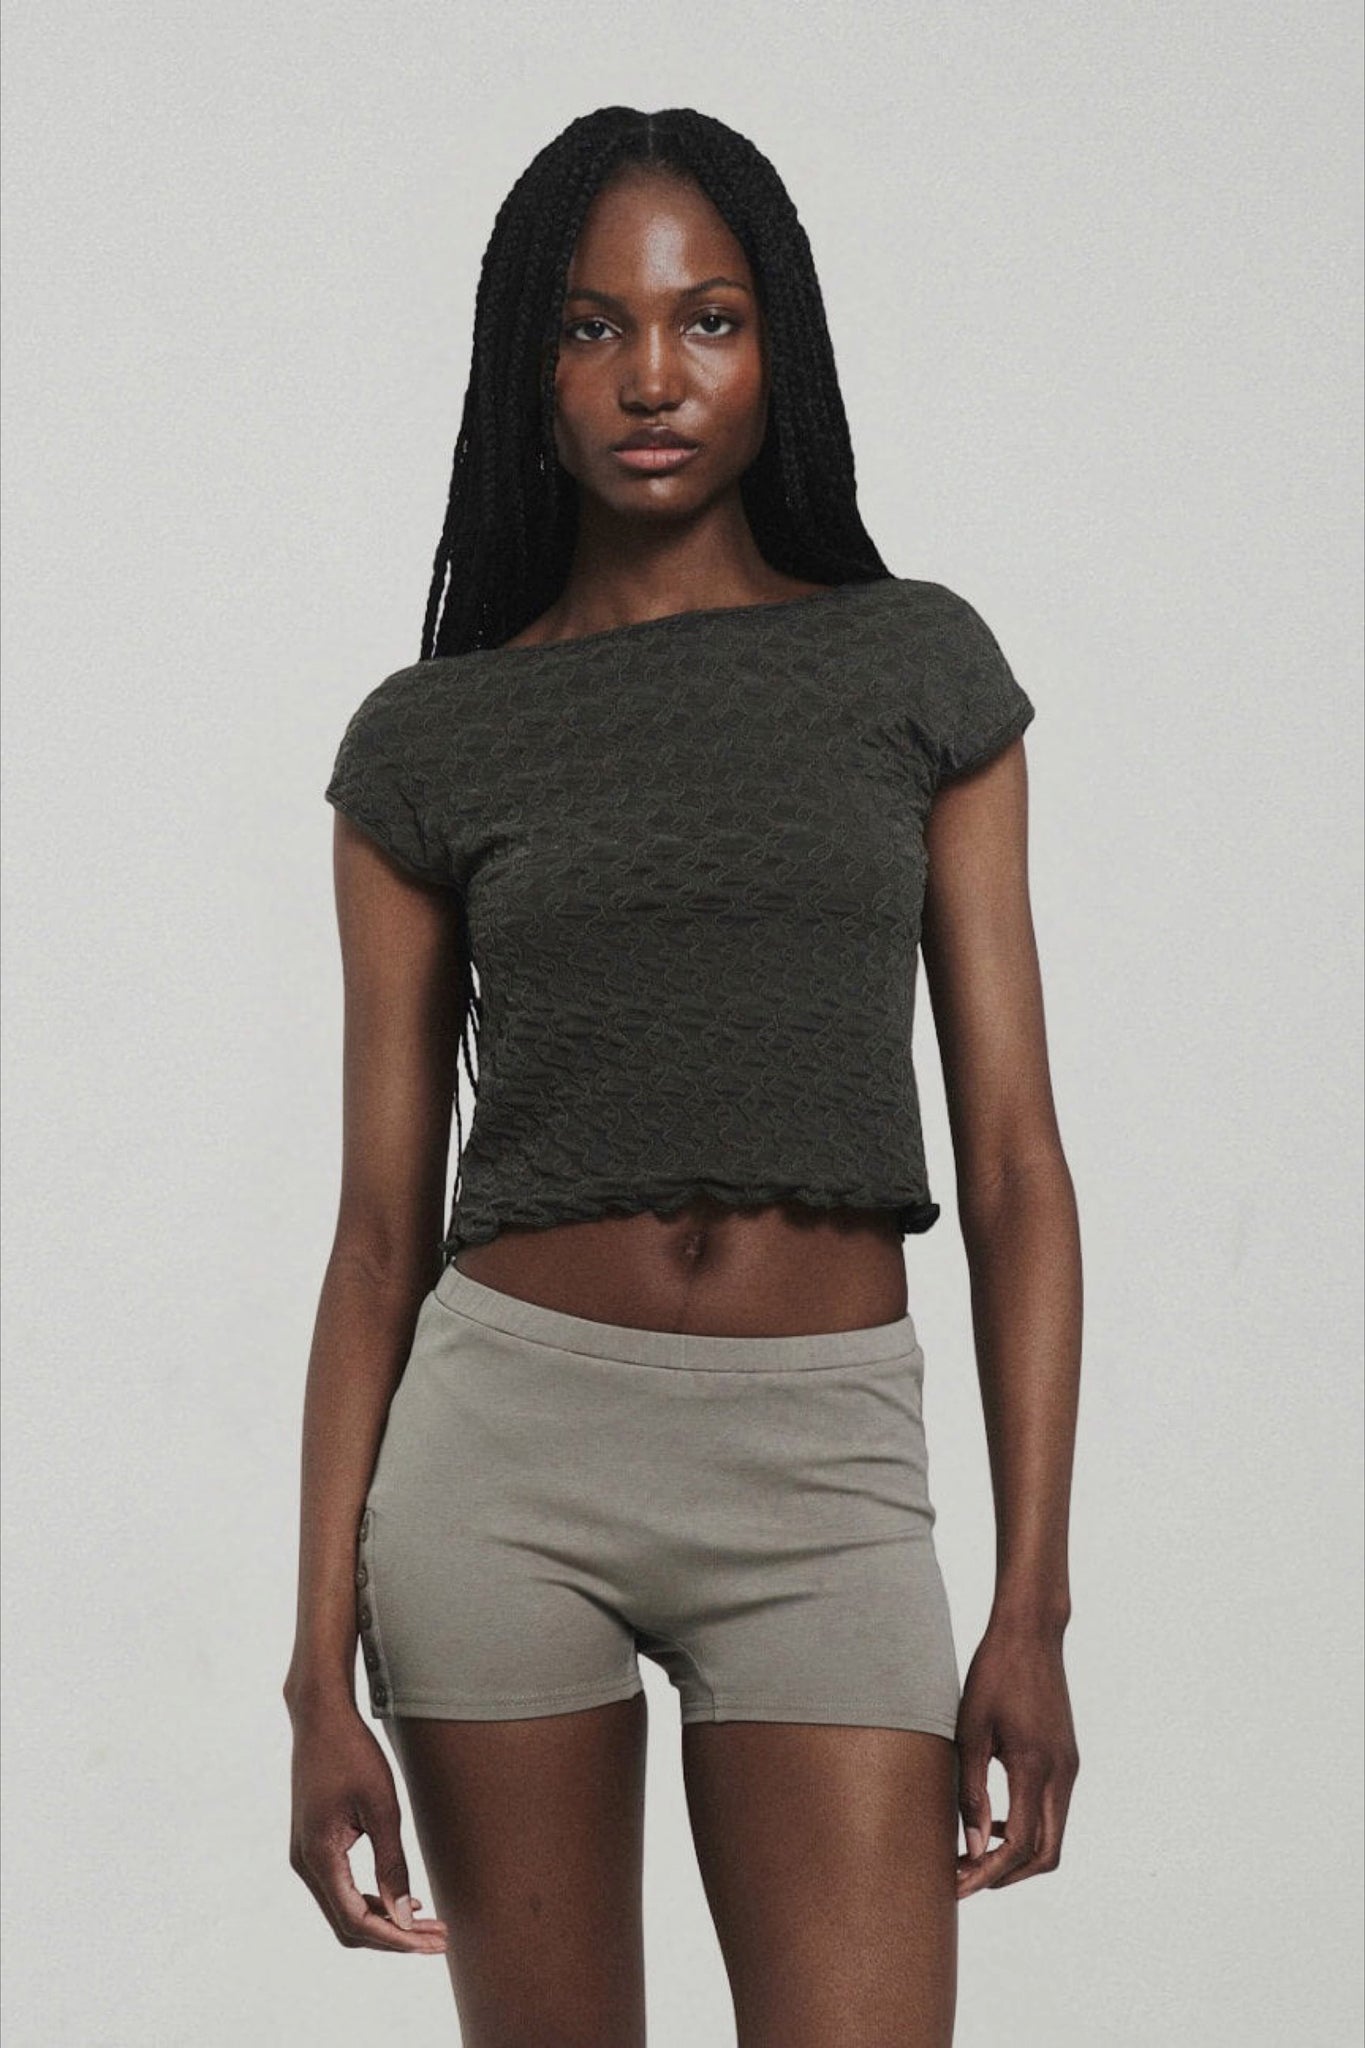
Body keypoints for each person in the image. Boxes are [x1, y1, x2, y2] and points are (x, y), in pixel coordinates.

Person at [285, 104, 1082, 2048]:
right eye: (593, 327)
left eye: (706, 320)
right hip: (504, 1470)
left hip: (822, 1471)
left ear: (773, 349)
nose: (652, 376)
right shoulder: (429, 742)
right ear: (529, 370)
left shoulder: (913, 671)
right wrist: (314, 1674)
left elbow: (1011, 1166)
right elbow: (379, 1230)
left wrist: (1031, 1606)